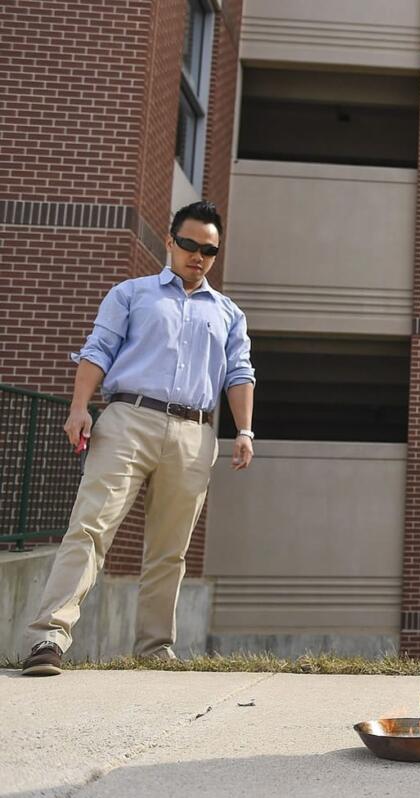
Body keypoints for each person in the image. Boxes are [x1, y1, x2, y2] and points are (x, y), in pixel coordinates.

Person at [21, 200, 256, 676]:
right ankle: (49, 637)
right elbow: (98, 349)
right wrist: (79, 406)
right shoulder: (132, 294)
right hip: (129, 418)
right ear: (170, 242)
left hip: (195, 432)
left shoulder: (229, 313)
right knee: (89, 527)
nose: (198, 256)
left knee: (171, 550)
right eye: (189, 244)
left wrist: (245, 431)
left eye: (208, 250)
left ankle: (154, 651)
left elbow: (238, 372)